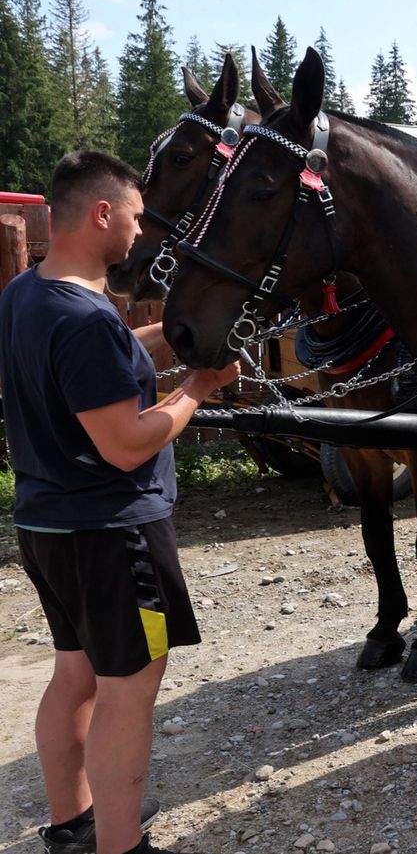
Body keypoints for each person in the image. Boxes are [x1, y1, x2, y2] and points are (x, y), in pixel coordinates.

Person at [0, 151, 240, 854]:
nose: (139, 232)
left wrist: (167, 335)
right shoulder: (85, 318)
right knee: (132, 683)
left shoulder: (27, 295)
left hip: (49, 526)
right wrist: (195, 388)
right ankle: (120, 846)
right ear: (102, 213)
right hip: (115, 538)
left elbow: (95, 367)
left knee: (75, 672)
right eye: (135, 217)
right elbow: (127, 444)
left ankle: (74, 822)